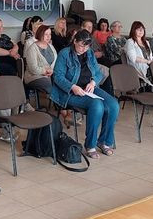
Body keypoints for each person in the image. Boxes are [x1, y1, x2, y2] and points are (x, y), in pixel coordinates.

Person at [51, 30, 119, 159]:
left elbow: (98, 73)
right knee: (97, 105)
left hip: (88, 88)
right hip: (69, 92)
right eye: (81, 45)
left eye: (86, 46)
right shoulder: (64, 53)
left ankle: (104, 142)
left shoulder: (89, 53)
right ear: (74, 41)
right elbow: (58, 77)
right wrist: (73, 87)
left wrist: (93, 82)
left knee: (113, 105)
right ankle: (90, 145)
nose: (84, 49)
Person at [23, 24, 56, 94]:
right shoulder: (32, 48)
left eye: (50, 34)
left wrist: (52, 71)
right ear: (40, 34)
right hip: (34, 76)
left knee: (61, 82)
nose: (48, 36)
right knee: (48, 85)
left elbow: (55, 63)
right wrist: (46, 71)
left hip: (49, 75)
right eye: (46, 34)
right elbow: (33, 69)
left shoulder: (51, 46)